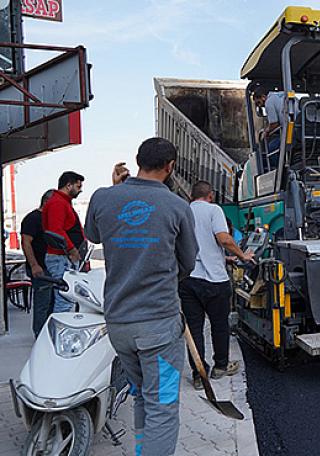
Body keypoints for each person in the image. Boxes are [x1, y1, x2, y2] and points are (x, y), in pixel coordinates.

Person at [85, 138, 199, 456]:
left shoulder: (103, 198)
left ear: (137, 161)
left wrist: (115, 189)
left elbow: (93, 235)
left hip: (119, 324)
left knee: (141, 396)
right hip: (158, 326)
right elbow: (188, 262)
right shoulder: (177, 206)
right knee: (162, 408)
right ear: (170, 166)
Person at [180, 180, 254, 390]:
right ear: (210, 195)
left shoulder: (183, 211)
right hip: (214, 281)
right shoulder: (214, 210)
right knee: (219, 324)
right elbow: (223, 239)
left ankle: (198, 374)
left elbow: (196, 246)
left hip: (188, 280)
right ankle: (221, 366)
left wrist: (224, 259)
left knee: (194, 328)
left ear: (191, 196)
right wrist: (242, 255)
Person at [42, 171, 86, 313]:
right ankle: (62, 334)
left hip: (64, 258)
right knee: (64, 302)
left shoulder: (62, 202)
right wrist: (72, 250)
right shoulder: (58, 203)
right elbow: (56, 231)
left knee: (67, 300)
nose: (80, 190)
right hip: (61, 258)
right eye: (78, 187)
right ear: (68, 185)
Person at [20, 190, 54, 336]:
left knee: (52, 303)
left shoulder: (49, 218)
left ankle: (48, 333)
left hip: (51, 268)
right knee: (42, 304)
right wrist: (34, 265)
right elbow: (26, 242)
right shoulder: (33, 219)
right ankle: (40, 334)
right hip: (40, 268)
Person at [252, 88, 285, 154]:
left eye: (259, 102)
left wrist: (266, 131)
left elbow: (274, 124)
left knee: (271, 147)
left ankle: (275, 164)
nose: (260, 105)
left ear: (263, 97)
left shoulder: (269, 102)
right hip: (299, 129)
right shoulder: (283, 95)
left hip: (290, 133)